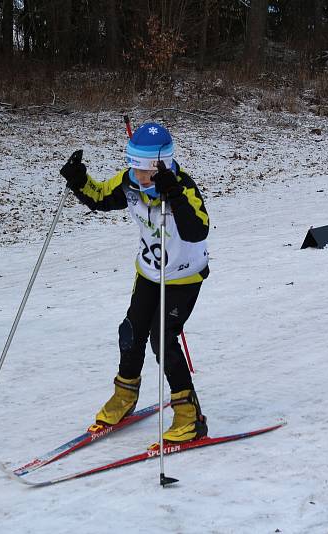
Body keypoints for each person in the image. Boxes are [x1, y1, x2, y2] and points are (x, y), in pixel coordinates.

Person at [59, 122, 210, 443]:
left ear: (163, 166)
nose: (139, 177)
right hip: (149, 273)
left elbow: (198, 230)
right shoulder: (129, 183)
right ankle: (125, 396)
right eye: (134, 168)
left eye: (146, 171)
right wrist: (78, 180)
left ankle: (189, 415)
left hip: (183, 276)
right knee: (131, 331)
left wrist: (174, 196)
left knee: (162, 339)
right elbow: (100, 197)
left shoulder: (182, 187)